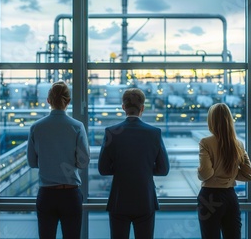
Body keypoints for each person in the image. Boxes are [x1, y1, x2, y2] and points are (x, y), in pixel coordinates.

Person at [98, 88, 170, 239]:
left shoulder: (111, 132)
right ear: (142, 108)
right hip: (145, 200)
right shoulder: (154, 133)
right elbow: (163, 169)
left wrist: (121, 168)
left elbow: (103, 169)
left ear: (123, 107)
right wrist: (145, 168)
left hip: (119, 200)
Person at [27, 81, 90, 239]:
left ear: (48, 101)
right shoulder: (77, 126)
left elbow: (32, 162)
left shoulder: (36, 127)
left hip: (46, 195)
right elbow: (83, 162)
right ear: (68, 101)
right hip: (70, 195)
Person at [197, 103, 251, 239]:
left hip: (209, 197)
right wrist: (230, 174)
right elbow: (248, 174)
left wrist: (208, 171)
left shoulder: (205, 142)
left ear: (211, 121)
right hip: (230, 197)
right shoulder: (238, 144)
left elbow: (205, 174)